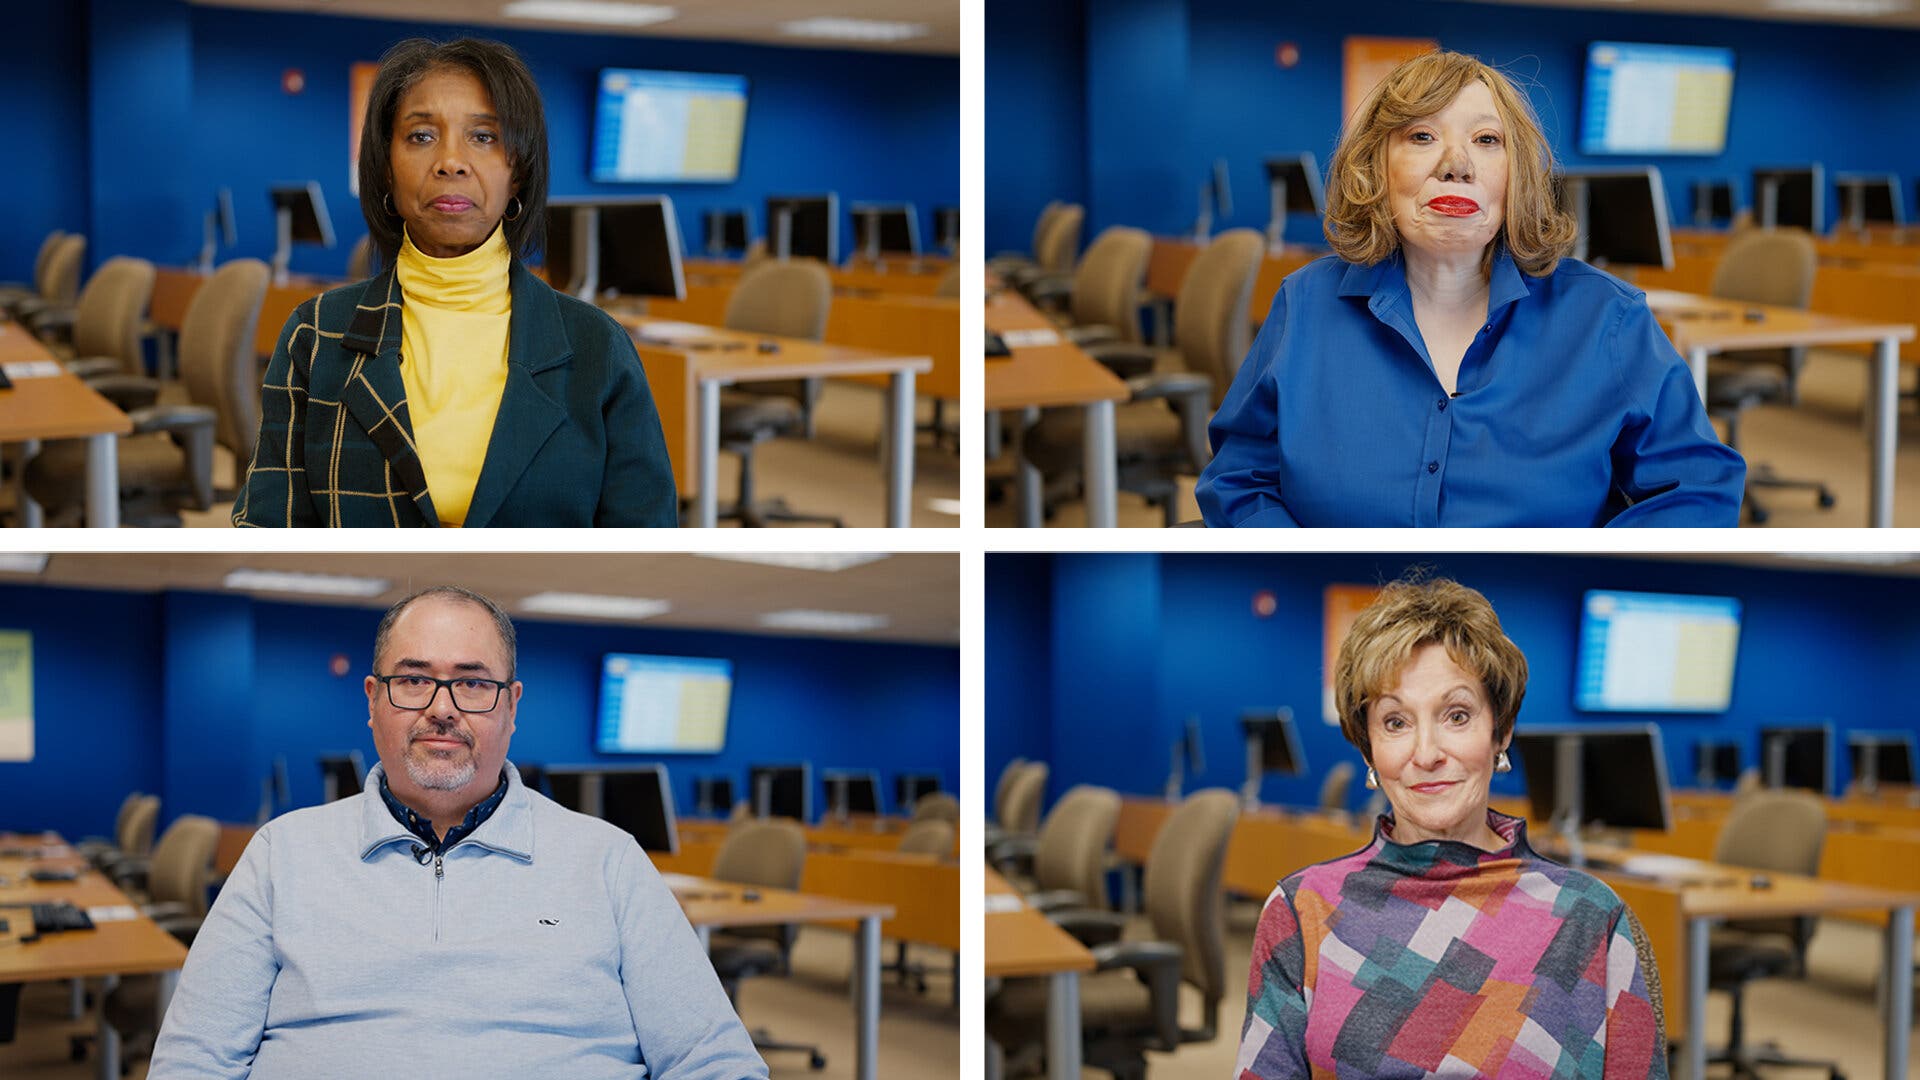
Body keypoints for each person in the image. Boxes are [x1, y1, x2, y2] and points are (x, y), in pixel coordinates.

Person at [150, 586, 765, 1079]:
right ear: (373, 701)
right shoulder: (280, 855)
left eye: (473, 682)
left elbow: (713, 1062)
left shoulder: (609, 861)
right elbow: (194, 1059)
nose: (442, 707)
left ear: (512, 706)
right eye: (414, 679)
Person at [1196, 50, 1744, 526]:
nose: (1456, 164)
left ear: (1518, 173)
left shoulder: (1609, 320)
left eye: (1486, 140)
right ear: (1376, 168)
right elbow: (1240, 478)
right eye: (1422, 136)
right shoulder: (1304, 304)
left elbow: (1698, 489)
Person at [232, 38, 677, 527]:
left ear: (519, 170)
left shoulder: (597, 347)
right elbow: (267, 527)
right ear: (384, 166)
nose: (451, 161)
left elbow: (645, 533)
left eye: (484, 137)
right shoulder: (315, 335)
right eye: (421, 136)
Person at [1235, 577, 1666, 1078]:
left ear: (1500, 730)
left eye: (1456, 715)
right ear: (1368, 746)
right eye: (1396, 722)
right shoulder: (1300, 913)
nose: (1426, 753)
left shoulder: (1592, 918)